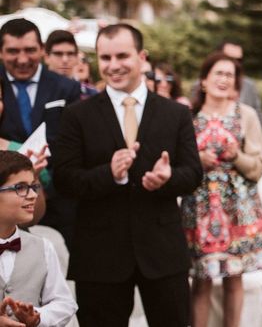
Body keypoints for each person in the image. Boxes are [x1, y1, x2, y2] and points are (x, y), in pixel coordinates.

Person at [52, 23, 202, 327]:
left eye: (122, 55)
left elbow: (193, 175)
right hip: (99, 254)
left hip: (162, 251)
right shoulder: (76, 115)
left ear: (142, 57)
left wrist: (167, 179)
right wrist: (108, 174)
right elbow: (64, 180)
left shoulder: (176, 114)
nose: (113, 65)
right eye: (105, 58)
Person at [182, 52, 262, 327]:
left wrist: (236, 156)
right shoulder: (188, 116)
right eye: (218, 73)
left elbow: (258, 166)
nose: (223, 79)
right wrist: (198, 160)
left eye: (229, 75)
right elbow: (178, 160)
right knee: (201, 280)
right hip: (200, 208)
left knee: (235, 277)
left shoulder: (246, 115)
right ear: (204, 80)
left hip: (238, 210)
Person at [0, 19, 81, 249]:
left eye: (30, 50)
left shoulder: (65, 87)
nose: (23, 59)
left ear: (42, 50)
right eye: (13, 51)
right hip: (5, 199)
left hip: (59, 195)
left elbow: (73, 142)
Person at [0, 150, 77, 327]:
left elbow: (65, 303)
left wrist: (38, 316)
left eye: (33, 186)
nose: (33, 195)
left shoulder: (43, 247)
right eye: (20, 187)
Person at [217, 41, 262, 119]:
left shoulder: (249, 86)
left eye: (239, 60)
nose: (234, 63)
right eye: (229, 58)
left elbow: (258, 118)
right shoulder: (205, 83)